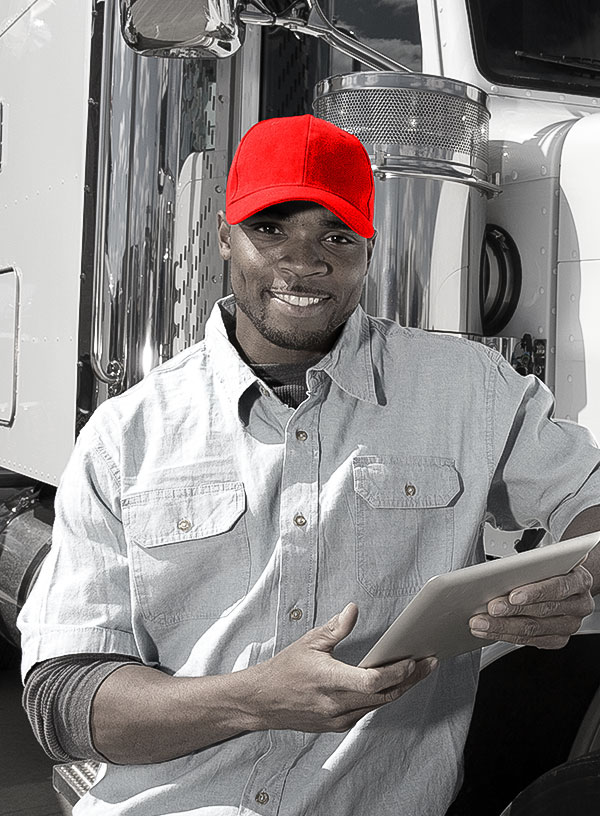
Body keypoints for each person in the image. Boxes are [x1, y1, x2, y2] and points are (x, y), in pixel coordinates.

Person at [19, 114, 600, 816]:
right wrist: (250, 701)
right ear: (225, 240)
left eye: (335, 235)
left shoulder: (468, 388)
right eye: (271, 228)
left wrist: (580, 580)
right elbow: (64, 705)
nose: (306, 261)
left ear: (368, 250)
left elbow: (589, 495)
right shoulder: (125, 435)